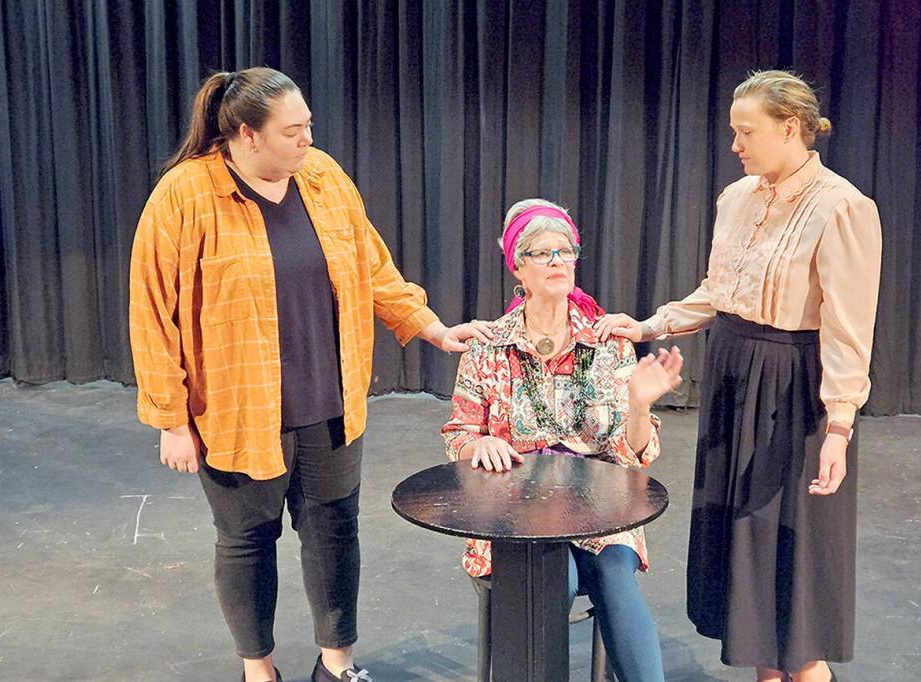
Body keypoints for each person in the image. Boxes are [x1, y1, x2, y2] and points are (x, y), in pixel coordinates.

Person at [128, 67, 492, 682]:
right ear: (247, 135)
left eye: (308, 126)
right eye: (292, 131)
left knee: (334, 531)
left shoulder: (321, 177)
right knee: (246, 540)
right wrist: (170, 419)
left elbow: (372, 265)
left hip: (329, 401)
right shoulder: (185, 195)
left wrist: (430, 327)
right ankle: (259, 670)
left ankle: (336, 664)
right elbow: (152, 311)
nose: (307, 140)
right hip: (238, 411)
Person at [595, 70, 882, 682]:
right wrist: (649, 325)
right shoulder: (737, 198)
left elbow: (848, 327)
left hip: (791, 389)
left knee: (789, 572)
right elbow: (719, 291)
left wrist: (839, 426)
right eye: (734, 131)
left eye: (746, 132)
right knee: (749, 580)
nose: (735, 145)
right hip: (734, 379)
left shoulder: (842, 208)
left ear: (790, 127)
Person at [441, 199, 683, 682]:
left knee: (615, 574)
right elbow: (458, 435)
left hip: (599, 507)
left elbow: (634, 456)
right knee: (553, 581)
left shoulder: (608, 341)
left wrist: (639, 406)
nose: (558, 261)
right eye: (542, 253)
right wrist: (477, 446)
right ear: (518, 268)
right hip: (516, 510)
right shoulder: (488, 345)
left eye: (565, 251)